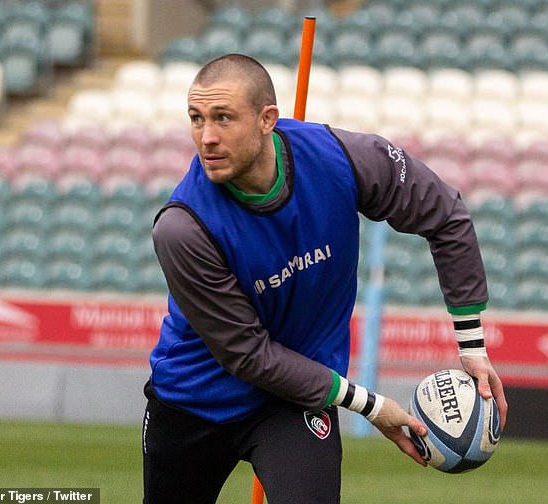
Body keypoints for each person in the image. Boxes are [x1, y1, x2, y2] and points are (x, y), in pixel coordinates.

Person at [142, 53, 508, 504]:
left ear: (266, 120)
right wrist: (372, 406)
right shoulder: (182, 227)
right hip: (195, 400)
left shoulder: (341, 159)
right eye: (196, 119)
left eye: (223, 118)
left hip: (295, 402)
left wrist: (472, 347)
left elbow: (445, 215)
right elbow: (250, 356)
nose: (207, 137)